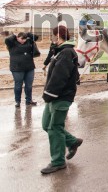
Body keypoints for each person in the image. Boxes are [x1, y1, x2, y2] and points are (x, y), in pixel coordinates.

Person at [41, 25, 82, 174]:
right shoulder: (60, 52)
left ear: (57, 36)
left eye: (53, 36)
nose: (52, 39)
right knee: (47, 125)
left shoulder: (66, 52)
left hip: (60, 97)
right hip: (54, 96)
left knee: (54, 127)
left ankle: (58, 162)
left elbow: (60, 77)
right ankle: (72, 141)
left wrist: (49, 94)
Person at [4, 31, 39, 108]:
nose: (23, 40)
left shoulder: (28, 41)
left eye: (25, 39)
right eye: (22, 39)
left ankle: (29, 101)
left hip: (29, 67)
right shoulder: (12, 43)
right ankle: (18, 101)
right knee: (18, 85)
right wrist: (14, 36)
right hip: (17, 68)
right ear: (17, 38)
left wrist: (28, 34)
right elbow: (6, 40)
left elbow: (36, 37)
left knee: (29, 85)